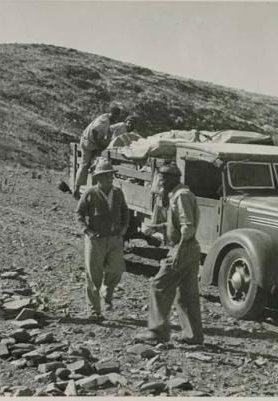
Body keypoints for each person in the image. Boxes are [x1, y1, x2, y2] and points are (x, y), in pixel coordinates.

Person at [136, 164, 204, 345]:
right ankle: (193, 336)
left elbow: (187, 226)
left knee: (158, 286)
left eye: (164, 178)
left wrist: (178, 252)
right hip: (190, 249)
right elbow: (177, 224)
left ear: (174, 178)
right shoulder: (179, 194)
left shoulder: (181, 196)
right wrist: (158, 228)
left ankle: (157, 332)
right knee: (186, 295)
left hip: (183, 248)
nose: (161, 182)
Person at [75, 158, 130, 321]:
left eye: (111, 176)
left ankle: (107, 291)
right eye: (105, 176)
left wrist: (124, 228)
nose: (109, 179)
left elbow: (125, 211)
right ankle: (94, 310)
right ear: (98, 178)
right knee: (93, 275)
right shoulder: (90, 193)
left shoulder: (118, 192)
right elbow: (78, 213)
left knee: (117, 269)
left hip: (115, 239)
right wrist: (87, 231)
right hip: (96, 240)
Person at [73, 103, 121, 199]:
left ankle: (77, 189)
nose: (116, 118)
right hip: (90, 143)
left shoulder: (105, 118)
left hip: (87, 141)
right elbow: (95, 131)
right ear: (112, 114)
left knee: (85, 165)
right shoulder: (104, 120)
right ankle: (91, 191)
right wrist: (99, 145)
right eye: (115, 116)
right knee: (93, 165)